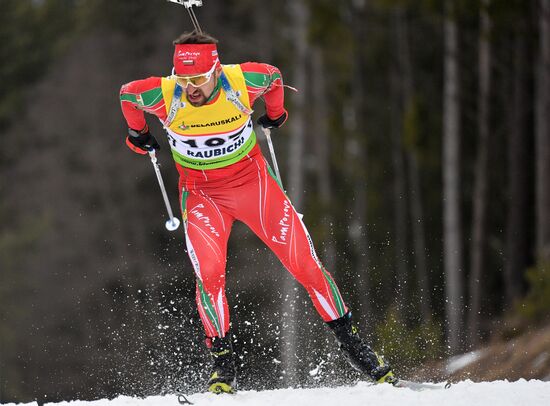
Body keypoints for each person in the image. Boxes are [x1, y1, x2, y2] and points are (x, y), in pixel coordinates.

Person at [119, 30, 396, 394]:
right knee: (210, 275)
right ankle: (222, 364)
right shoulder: (163, 92)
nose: (191, 88)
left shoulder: (241, 80)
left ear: (216, 70)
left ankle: (356, 347)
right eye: (183, 80)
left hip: (254, 187)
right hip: (203, 196)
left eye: (198, 79)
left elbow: (274, 77)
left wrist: (275, 114)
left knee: (305, 265)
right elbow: (127, 94)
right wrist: (138, 133)